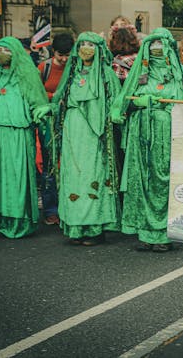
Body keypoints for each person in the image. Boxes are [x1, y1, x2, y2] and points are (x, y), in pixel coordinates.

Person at [110, 28, 183, 251]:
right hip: (141, 134)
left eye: (161, 44)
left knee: (163, 180)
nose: (157, 48)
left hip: (167, 135)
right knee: (142, 180)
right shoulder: (139, 74)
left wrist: (162, 105)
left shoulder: (181, 75)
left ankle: (164, 233)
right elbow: (121, 103)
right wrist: (135, 103)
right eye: (152, 44)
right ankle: (145, 232)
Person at [52, 32, 121, 246]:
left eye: (90, 45)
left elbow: (116, 103)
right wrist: (50, 108)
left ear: (99, 49)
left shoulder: (106, 75)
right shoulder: (72, 73)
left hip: (95, 135)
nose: (85, 48)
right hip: (73, 129)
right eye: (82, 44)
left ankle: (94, 228)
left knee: (94, 175)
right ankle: (75, 227)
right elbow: (60, 98)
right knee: (73, 176)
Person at [0, 37, 52, 238]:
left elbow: (37, 102)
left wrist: (42, 110)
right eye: (0, 49)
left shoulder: (27, 76)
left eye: (7, 50)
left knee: (17, 176)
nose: (2, 53)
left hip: (18, 134)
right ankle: (3, 221)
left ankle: (20, 221)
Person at [36, 32, 74, 226]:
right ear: (53, 52)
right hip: (49, 123)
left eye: (68, 54)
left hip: (70, 121)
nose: (65, 59)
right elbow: (36, 93)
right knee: (49, 166)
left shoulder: (74, 67)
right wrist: (54, 99)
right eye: (61, 55)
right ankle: (51, 210)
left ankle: (70, 207)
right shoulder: (44, 67)